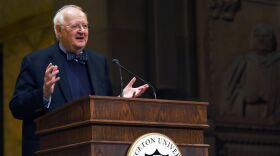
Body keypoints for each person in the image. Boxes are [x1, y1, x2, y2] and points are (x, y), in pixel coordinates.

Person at [9, 5, 149, 156]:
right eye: (75, 26)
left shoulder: (98, 62)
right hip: (50, 150)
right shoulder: (35, 61)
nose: (82, 30)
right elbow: (17, 107)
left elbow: (101, 108)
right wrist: (43, 94)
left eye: (85, 26)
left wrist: (121, 99)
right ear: (58, 31)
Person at [221, 24, 280, 123]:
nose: (261, 40)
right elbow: (229, 91)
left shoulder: (277, 63)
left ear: (272, 40)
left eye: (265, 36)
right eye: (258, 36)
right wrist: (243, 96)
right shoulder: (243, 61)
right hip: (248, 112)